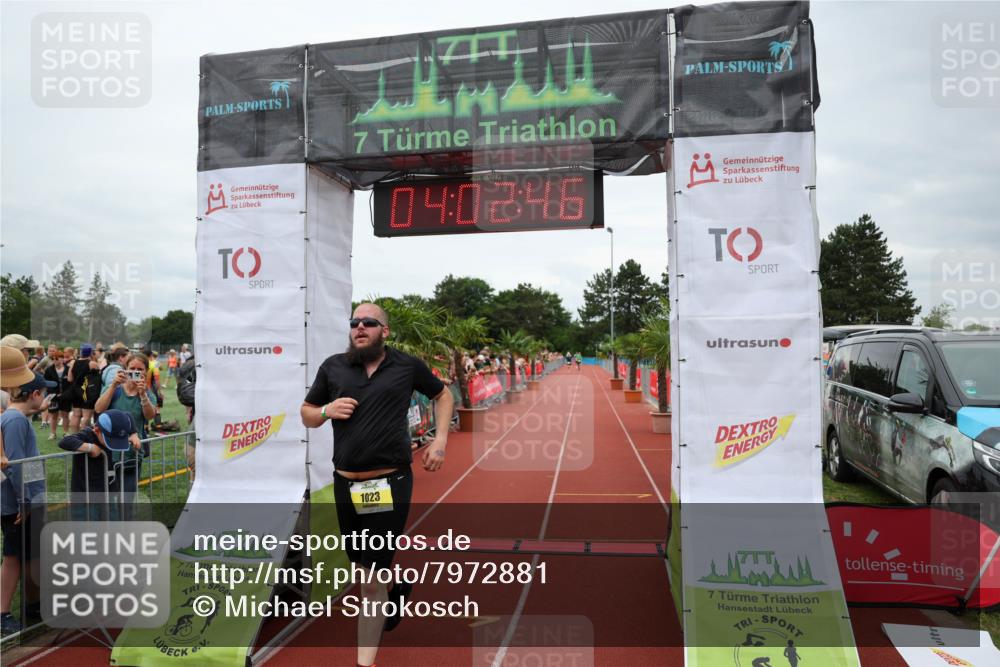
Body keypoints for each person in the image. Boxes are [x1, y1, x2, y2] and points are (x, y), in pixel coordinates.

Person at [300, 303, 453, 667]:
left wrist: (441, 440)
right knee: (365, 569)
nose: (359, 327)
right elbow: (306, 413)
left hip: (390, 481)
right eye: (354, 322)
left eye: (368, 322)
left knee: (368, 581)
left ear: (385, 330)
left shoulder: (406, 365)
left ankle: (363, 662)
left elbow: (443, 395)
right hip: (345, 485)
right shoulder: (334, 367)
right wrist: (325, 411)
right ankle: (395, 590)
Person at [1, 371, 54, 636]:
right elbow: (14, 465)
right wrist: (25, 501)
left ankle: (34, 604)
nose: (44, 398)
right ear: (34, 394)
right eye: (43, 393)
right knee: (13, 557)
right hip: (19, 503)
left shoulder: (17, 417)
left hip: (28, 500)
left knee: (31, 554)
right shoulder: (14, 420)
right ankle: (3, 613)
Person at [59, 410, 141, 519]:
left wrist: (134, 433)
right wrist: (90, 447)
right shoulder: (87, 435)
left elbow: (128, 415)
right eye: (111, 440)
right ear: (97, 430)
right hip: (86, 497)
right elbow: (65, 441)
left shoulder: (115, 427)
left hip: (108, 493)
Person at [94, 353, 157, 496]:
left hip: (133, 453)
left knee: (128, 498)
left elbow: (150, 416)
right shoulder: (114, 389)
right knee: (109, 497)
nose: (135, 372)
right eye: (132, 368)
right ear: (125, 369)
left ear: (145, 371)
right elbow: (98, 408)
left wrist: (143, 395)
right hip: (108, 452)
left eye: (139, 369)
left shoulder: (147, 393)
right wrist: (113, 386)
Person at [68, 344, 101, 432]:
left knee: (76, 415)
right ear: (91, 353)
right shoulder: (92, 364)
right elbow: (98, 378)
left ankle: (74, 436)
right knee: (86, 417)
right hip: (88, 392)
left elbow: (69, 379)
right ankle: (83, 436)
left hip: (75, 392)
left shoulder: (73, 362)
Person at [43, 350, 72, 440]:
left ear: (62, 359)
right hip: (53, 396)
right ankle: (53, 433)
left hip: (66, 396)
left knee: (65, 415)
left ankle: (66, 432)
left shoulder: (68, 369)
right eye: (53, 359)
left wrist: (65, 394)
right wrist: (53, 394)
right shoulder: (49, 370)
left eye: (57, 358)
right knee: (54, 415)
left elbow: (71, 383)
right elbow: (46, 383)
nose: (55, 360)